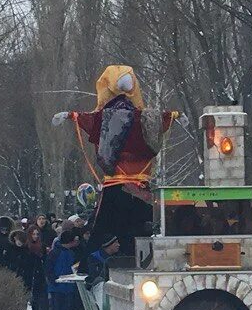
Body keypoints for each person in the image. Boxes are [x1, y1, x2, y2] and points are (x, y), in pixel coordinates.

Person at [53, 64, 178, 254]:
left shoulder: (118, 116)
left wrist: (72, 116)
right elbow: (155, 121)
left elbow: (92, 120)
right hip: (131, 183)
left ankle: (112, 257)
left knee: (113, 224)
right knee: (133, 224)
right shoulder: (129, 116)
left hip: (123, 183)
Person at [46, 231, 80, 310]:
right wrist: (53, 280)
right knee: (57, 308)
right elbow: (48, 269)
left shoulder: (71, 253)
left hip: (68, 285)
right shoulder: (55, 253)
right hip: (57, 286)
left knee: (65, 309)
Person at [7, 230, 35, 310]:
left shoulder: (27, 250)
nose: (19, 243)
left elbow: (30, 264)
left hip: (25, 275)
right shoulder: (10, 248)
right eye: (18, 240)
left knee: (24, 297)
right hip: (13, 274)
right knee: (12, 296)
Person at [25, 224, 49, 310]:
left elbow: (45, 259)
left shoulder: (42, 246)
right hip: (27, 272)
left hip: (39, 273)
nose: (35, 236)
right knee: (26, 295)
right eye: (33, 234)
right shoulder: (26, 246)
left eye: (37, 234)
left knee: (36, 297)